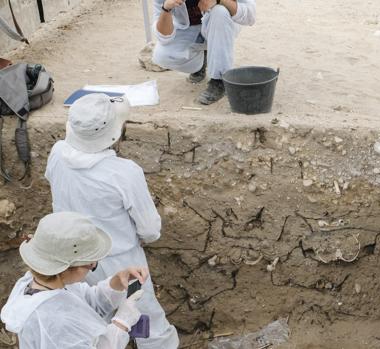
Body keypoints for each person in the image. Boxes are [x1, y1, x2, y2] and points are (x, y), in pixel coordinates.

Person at [44, 94, 179, 348]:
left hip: (70, 259)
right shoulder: (124, 172)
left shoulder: (58, 153)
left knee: (91, 317)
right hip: (120, 261)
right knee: (146, 323)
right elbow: (150, 229)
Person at [1, 211, 148, 348]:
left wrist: (116, 283)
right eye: (91, 264)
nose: (93, 265)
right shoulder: (56, 319)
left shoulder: (42, 283)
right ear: (69, 268)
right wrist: (121, 324)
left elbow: (86, 303)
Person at [152, 0, 256, 105]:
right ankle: (202, 61)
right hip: (188, 29)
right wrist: (166, 8)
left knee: (220, 12)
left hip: (221, 22)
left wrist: (219, 1)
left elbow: (250, 16)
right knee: (162, 55)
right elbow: (164, 37)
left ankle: (219, 80)